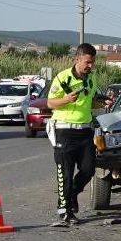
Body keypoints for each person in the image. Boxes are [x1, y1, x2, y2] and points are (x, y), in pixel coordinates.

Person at [47, 43, 98, 225]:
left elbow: (90, 103)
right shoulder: (63, 78)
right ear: (77, 59)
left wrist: (104, 102)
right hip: (64, 130)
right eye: (88, 62)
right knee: (66, 173)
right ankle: (64, 210)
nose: (90, 66)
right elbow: (50, 103)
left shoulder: (91, 80)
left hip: (85, 131)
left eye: (92, 62)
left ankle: (72, 195)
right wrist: (66, 99)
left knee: (88, 169)